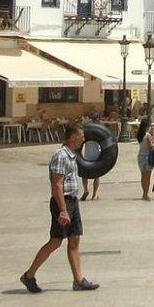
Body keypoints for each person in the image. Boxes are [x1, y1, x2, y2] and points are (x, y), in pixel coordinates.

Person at [20, 125, 99, 293]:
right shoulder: (61, 156)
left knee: (75, 239)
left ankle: (78, 280)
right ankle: (29, 275)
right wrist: (63, 210)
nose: (83, 139)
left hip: (73, 201)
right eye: (80, 136)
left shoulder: (72, 156)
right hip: (62, 203)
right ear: (71, 137)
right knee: (55, 241)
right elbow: (56, 185)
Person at [137, 117, 154, 200]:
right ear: (147, 127)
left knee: (143, 176)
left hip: (140, 156)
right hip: (147, 156)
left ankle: (144, 192)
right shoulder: (148, 136)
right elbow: (151, 147)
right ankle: (146, 194)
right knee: (148, 176)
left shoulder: (140, 135)